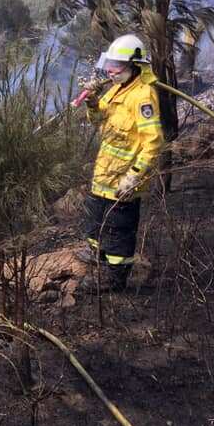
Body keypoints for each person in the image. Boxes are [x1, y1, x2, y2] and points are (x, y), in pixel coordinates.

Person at [78, 34, 165, 291]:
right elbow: (97, 120)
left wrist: (134, 176)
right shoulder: (117, 88)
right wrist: (93, 104)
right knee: (95, 221)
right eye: (110, 63)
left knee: (118, 230)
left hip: (125, 180)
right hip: (103, 176)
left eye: (116, 64)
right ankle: (96, 258)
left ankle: (114, 279)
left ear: (134, 65)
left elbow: (153, 142)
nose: (110, 70)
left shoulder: (143, 96)